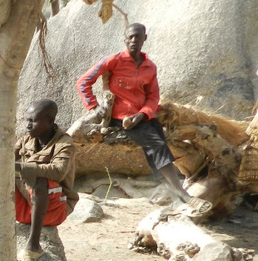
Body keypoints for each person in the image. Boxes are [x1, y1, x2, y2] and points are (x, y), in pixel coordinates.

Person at [77, 23, 211, 217]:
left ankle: (174, 197)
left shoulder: (149, 66)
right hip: (120, 119)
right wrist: (95, 109)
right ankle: (182, 195)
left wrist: (142, 114)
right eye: (130, 37)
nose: (133, 41)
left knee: (159, 146)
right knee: (156, 145)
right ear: (125, 39)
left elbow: (153, 97)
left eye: (137, 37)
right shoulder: (113, 61)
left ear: (144, 39)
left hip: (143, 117)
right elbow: (83, 82)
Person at [13, 99, 78, 261]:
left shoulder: (65, 144)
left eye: (33, 121)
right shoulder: (26, 140)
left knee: (40, 180)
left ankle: (33, 245)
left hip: (53, 210)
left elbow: (58, 171)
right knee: (1, 178)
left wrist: (20, 167)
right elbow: (7, 159)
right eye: (27, 120)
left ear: (50, 122)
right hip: (25, 209)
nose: (28, 125)